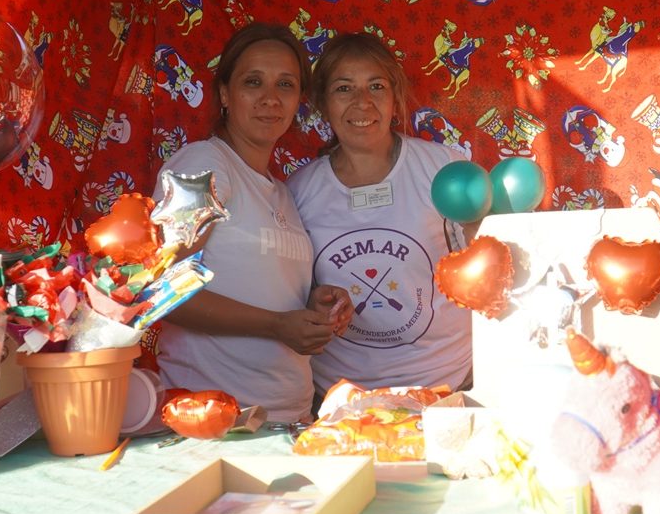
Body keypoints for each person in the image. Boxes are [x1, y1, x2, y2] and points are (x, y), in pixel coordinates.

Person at [152, 22, 352, 423]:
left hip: (285, 419)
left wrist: (314, 305)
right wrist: (278, 325)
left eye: (285, 85)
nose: (269, 99)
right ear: (225, 94)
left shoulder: (281, 191)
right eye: (253, 82)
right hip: (212, 421)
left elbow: (264, 287)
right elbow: (161, 289)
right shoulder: (201, 167)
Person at [286, 32, 473, 406]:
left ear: (394, 97)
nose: (362, 102)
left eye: (376, 86)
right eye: (344, 89)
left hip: (448, 383)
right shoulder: (297, 192)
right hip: (343, 396)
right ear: (322, 102)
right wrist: (316, 302)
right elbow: (289, 292)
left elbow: (488, 265)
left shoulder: (444, 168)